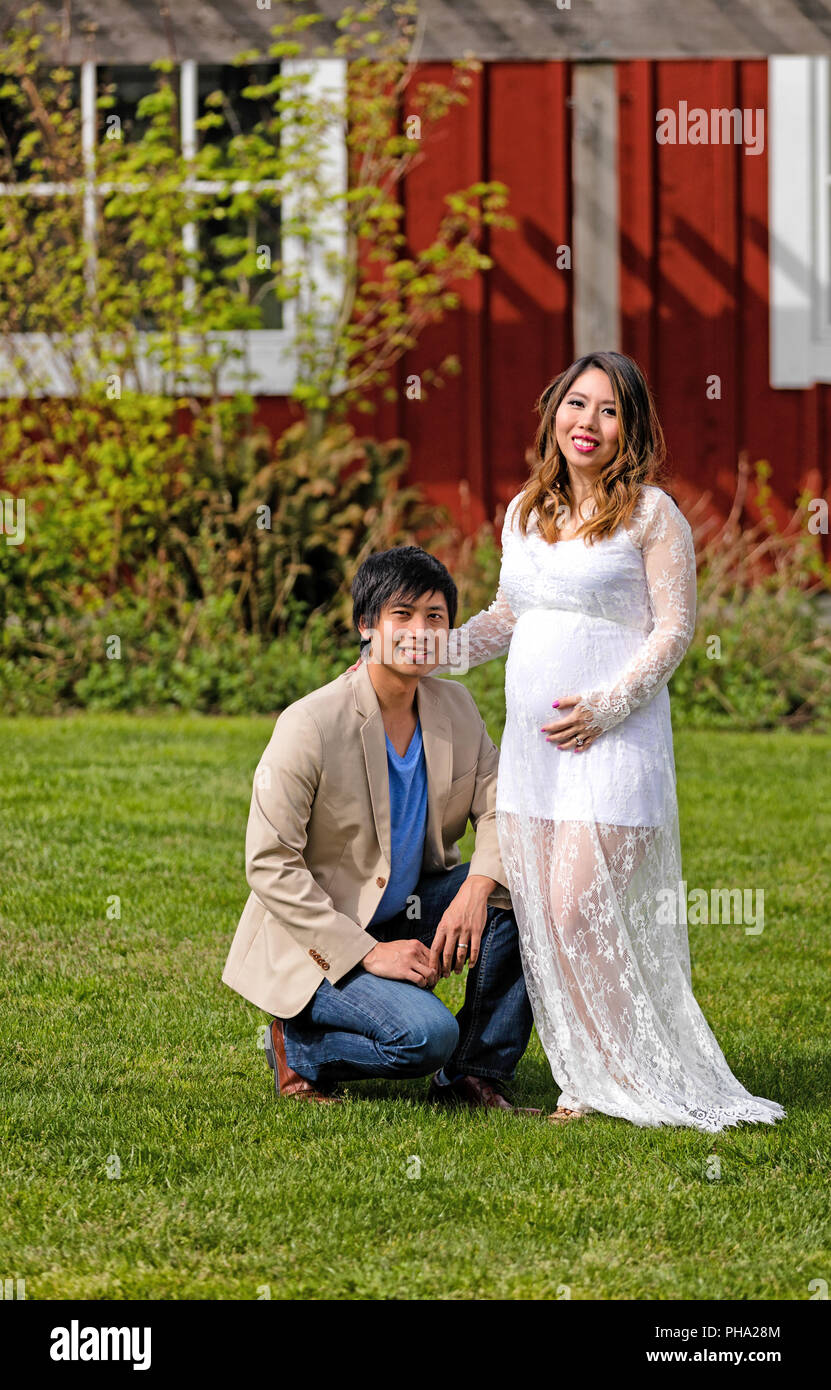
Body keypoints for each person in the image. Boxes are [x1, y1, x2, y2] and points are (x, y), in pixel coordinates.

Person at [357, 350, 786, 1133]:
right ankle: (584, 1082)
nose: (587, 423)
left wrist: (607, 704)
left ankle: (634, 1076)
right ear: (553, 412)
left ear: (631, 428)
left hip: (612, 746)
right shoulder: (525, 511)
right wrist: (436, 651)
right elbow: (509, 616)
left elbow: (674, 629)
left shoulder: (653, 515)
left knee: (576, 906)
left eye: (608, 410)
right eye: (576, 405)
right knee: (548, 920)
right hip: (533, 756)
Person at [222, 546, 539, 1114]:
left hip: (412, 903)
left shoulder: (457, 708)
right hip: (321, 934)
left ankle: (473, 1075)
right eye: (402, 615)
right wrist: (367, 953)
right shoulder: (311, 723)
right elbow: (269, 861)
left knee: (526, 892)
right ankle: (299, 1048)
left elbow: (501, 808)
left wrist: (475, 890)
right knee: (424, 1037)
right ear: (366, 626)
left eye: (435, 617)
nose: (420, 631)